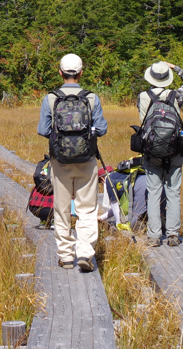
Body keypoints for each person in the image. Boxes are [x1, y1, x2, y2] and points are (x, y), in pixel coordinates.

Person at [37, 53, 107, 272]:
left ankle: (66, 256)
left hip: (60, 161)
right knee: (87, 208)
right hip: (87, 160)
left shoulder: (50, 98)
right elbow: (102, 129)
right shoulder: (92, 97)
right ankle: (85, 252)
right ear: (81, 73)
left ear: (60, 72)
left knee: (62, 208)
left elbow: (42, 130)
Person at [137, 61, 183, 247]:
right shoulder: (177, 95)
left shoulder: (143, 96)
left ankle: (154, 236)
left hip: (151, 151)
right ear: (167, 78)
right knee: (173, 191)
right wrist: (176, 68)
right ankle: (172, 235)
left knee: (153, 191)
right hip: (174, 150)